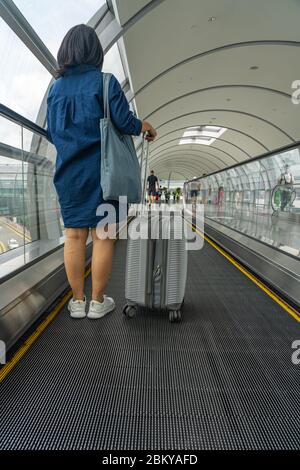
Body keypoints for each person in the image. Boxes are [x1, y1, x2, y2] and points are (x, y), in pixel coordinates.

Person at [46, 24, 156, 319]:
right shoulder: (105, 83)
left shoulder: (54, 89)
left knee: (74, 236)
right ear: (96, 52)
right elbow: (125, 122)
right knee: (104, 236)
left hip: (69, 176)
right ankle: (97, 302)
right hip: (105, 176)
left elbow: (50, 133)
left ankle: (77, 302)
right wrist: (144, 126)